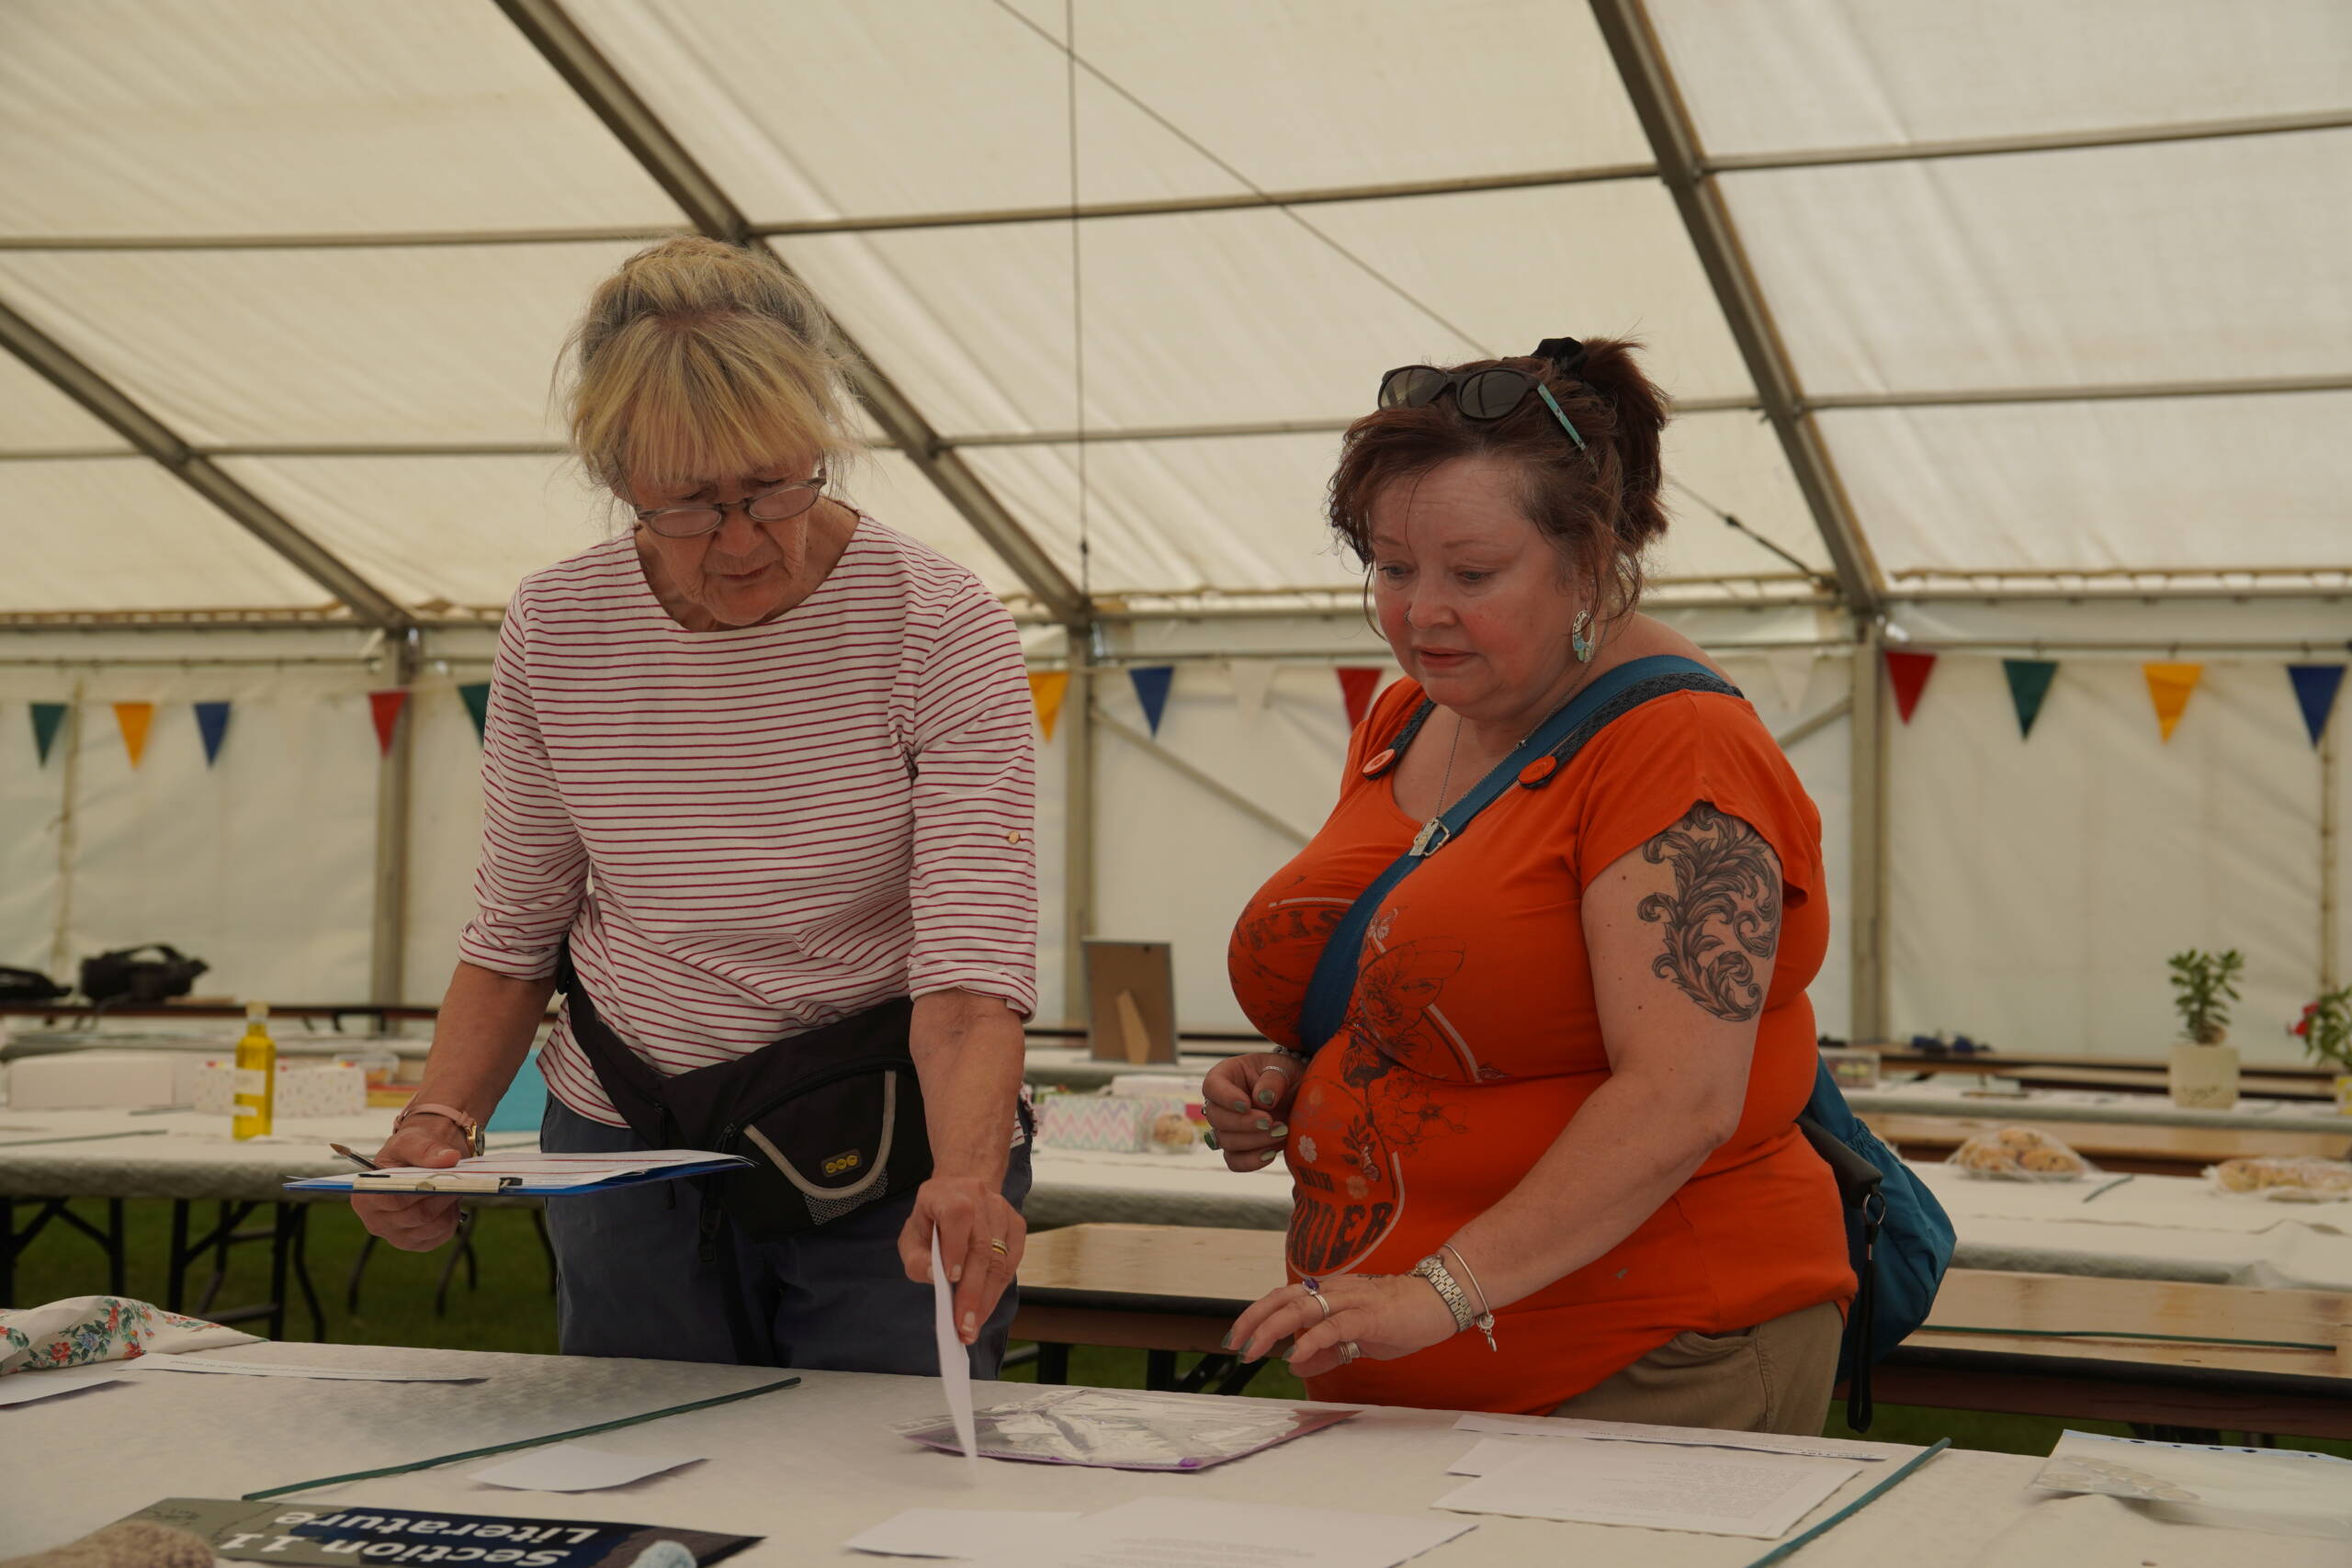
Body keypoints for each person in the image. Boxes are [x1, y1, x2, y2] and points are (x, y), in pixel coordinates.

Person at [354, 237, 1039, 1374]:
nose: (741, 540)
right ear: (617, 476)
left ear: (823, 440)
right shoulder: (557, 626)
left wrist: (965, 1179)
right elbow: (517, 930)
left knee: (870, 1493)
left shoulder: (935, 621)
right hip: (628, 1136)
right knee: (638, 1485)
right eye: (690, 506)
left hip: (887, 1136)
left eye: (775, 486)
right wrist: (439, 1127)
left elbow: (969, 975)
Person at [1210, 338, 1853, 1433]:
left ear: (1590, 565)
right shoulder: (1410, 715)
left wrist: (1440, 1293)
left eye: (1472, 574)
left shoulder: (1679, 748)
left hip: (1639, 1363)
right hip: (1404, 1379)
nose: (1420, 613)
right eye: (1392, 567)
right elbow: (1438, 968)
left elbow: (1681, 1098)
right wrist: (1301, 1070)